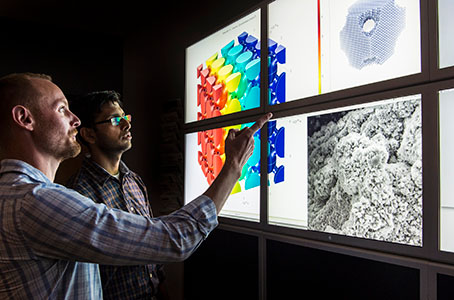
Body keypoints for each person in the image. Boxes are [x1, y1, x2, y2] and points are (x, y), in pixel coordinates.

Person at [0, 72, 271, 299]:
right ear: (25, 119)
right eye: (61, 109)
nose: (75, 119)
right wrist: (234, 165)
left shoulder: (16, 196)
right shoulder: (37, 202)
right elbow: (173, 239)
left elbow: (152, 259)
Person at [66, 90, 165, 299]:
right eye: (114, 120)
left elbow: (151, 246)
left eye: (125, 117)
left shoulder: (134, 181)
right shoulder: (78, 193)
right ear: (89, 134)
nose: (126, 124)